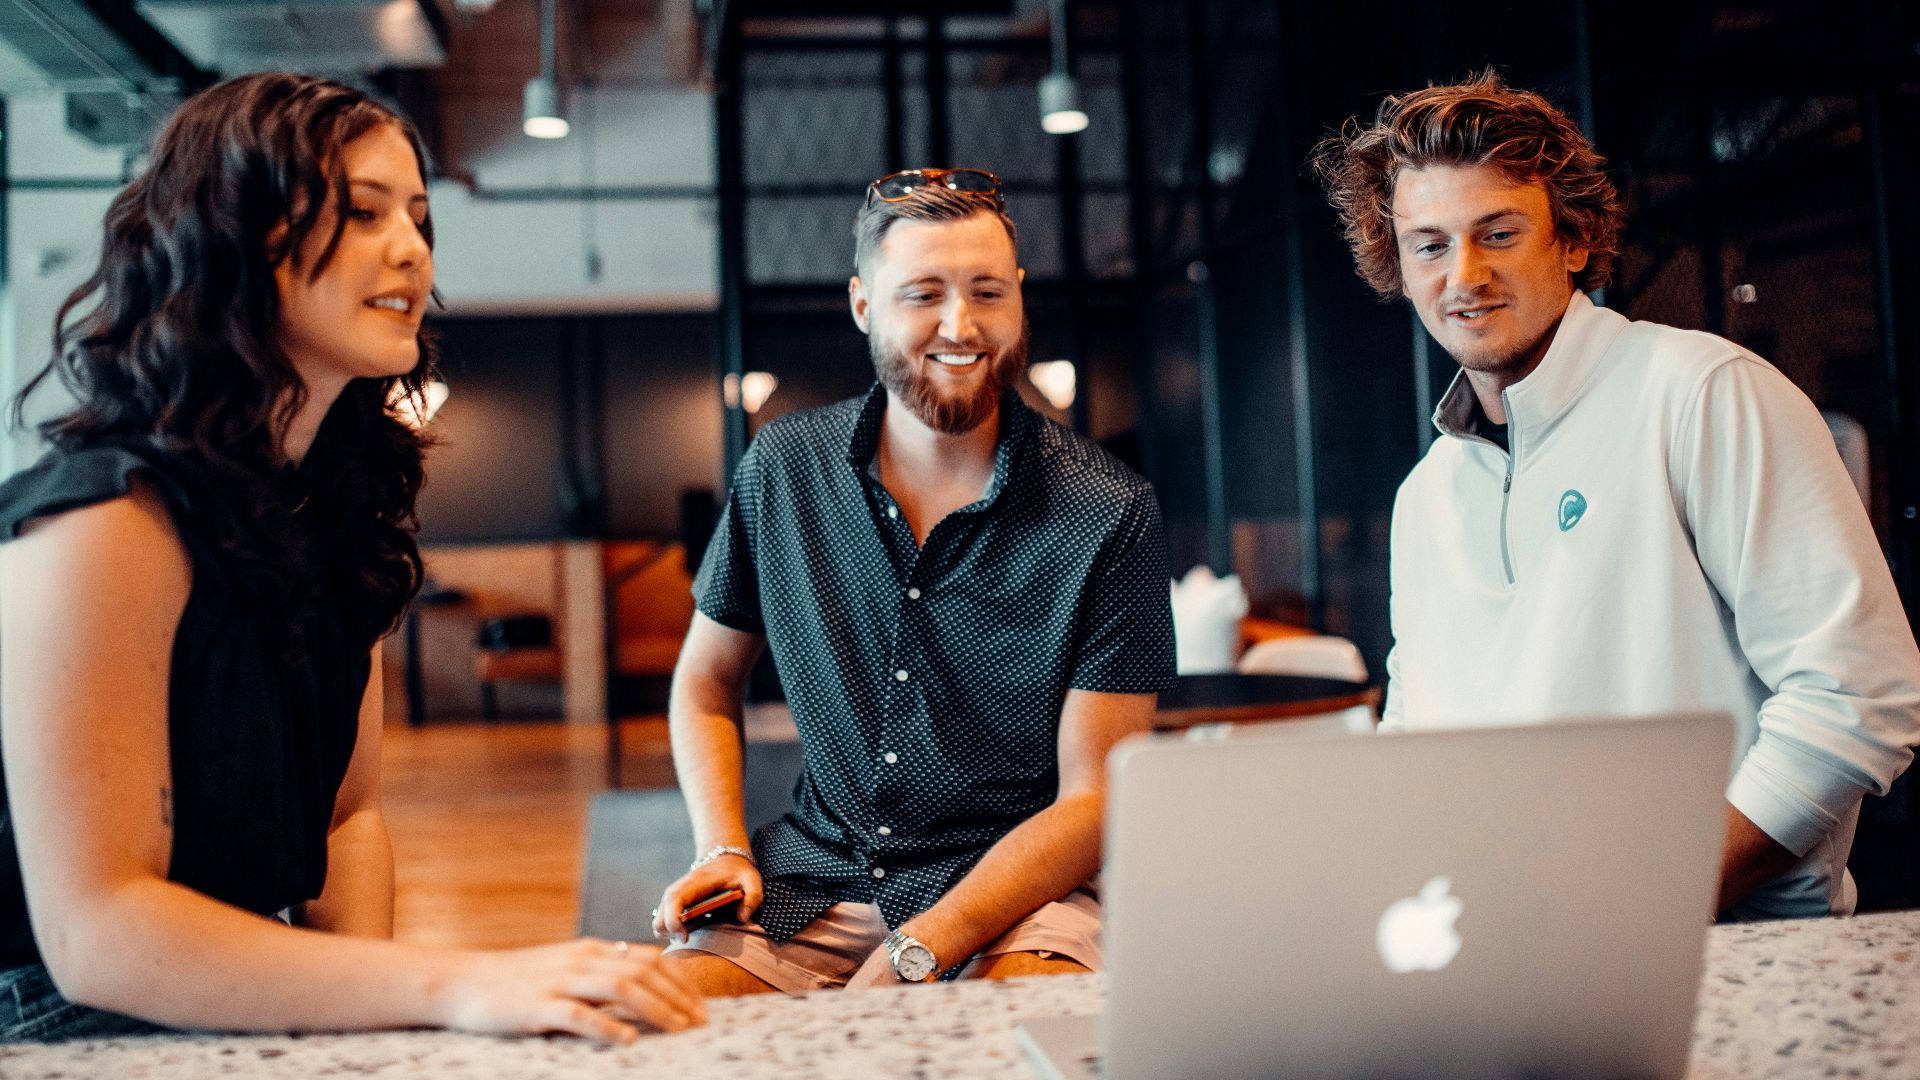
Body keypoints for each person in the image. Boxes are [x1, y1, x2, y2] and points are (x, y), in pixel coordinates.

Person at [0, 72, 703, 1042]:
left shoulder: (335, 509)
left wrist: (369, 1033)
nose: (411, 247)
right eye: (364, 212)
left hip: (238, 979)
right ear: (235, 238)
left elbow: (348, 821)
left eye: (418, 215)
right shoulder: (105, 519)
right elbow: (97, 932)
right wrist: (446, 986)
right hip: (56, 1018)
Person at [1312, 73, 1920, 919]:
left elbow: (1857, 696)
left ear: (1572, 241)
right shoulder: (1426, 497)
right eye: (1429, 246)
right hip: (1505, 949)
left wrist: (1649, 905)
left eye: (1498, 233)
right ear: (1400, 270)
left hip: (1733, 950)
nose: (1465, 275)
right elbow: (1417, 745)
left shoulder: (1703, 393)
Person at [653, 168, 1177, 992]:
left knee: (994, 1038)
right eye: (923, 294)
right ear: (864, 304)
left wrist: (919, 951)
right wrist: (721, 847)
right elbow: (706, 683)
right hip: (813, 878)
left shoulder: (1112, 511)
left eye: (987, 293)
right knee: (666, 1025)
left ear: (1019, 298)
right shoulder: (783, 469)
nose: (960, 326)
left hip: (1016, 895)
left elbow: (1094, 799)